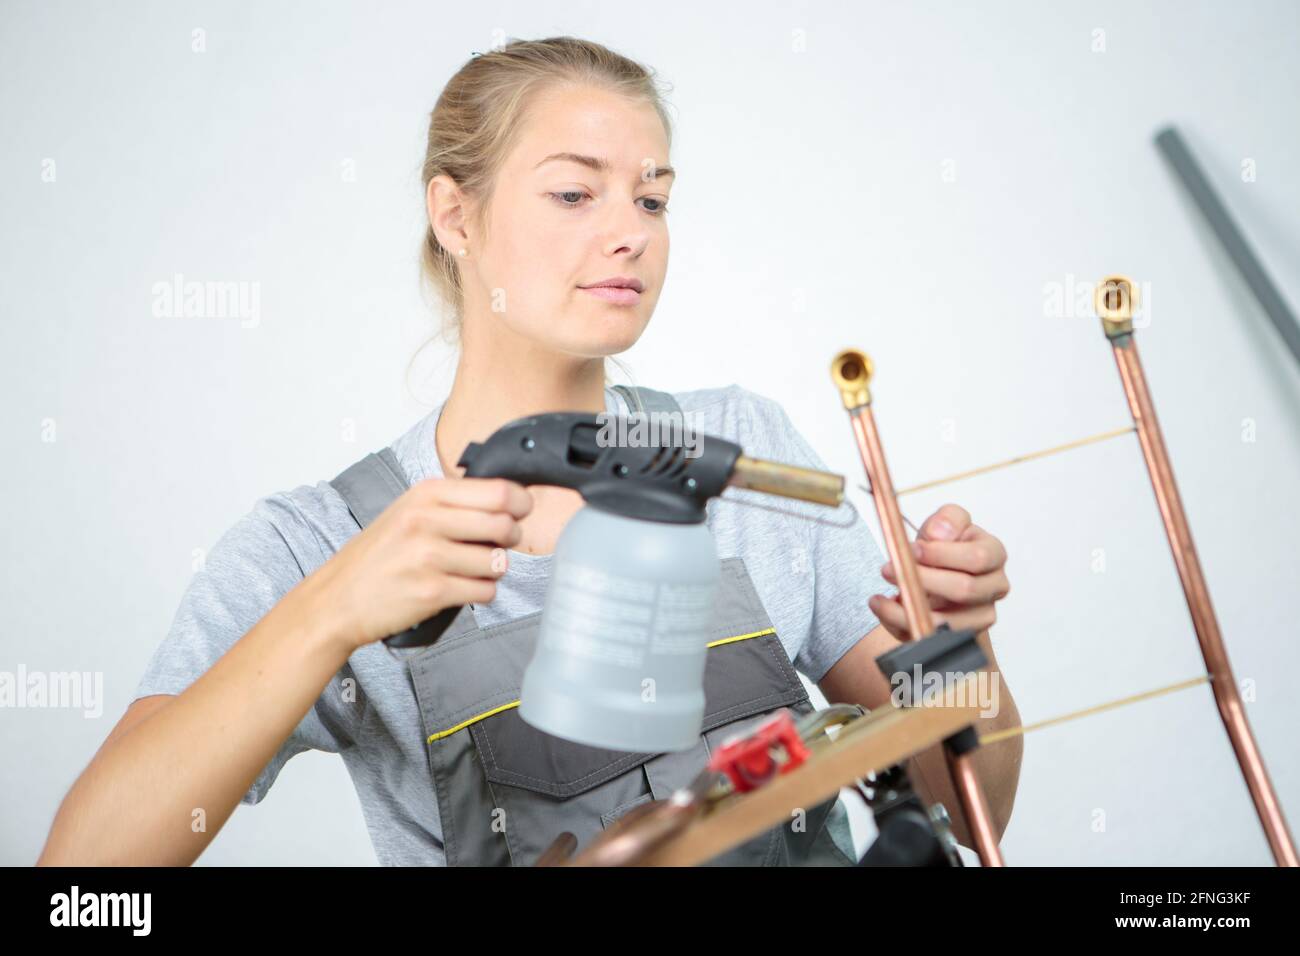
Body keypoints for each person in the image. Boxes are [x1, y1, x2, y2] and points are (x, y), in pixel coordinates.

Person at [37, 36, 1020, 867]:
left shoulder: (744, 450)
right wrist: (332, 610)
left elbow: (974, 802)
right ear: (454, 214)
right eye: (572, 194)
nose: (627, 234)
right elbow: (82, 873)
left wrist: (956, 651)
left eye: (650, 198)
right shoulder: (314, 540)